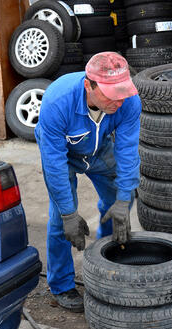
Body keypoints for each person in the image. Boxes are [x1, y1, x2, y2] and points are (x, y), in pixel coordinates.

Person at [35, 52, 141, 312]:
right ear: (88, 85)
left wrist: (124, 197)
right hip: (63, 155)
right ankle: (61, 285)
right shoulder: (58, 102)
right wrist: (69, 213)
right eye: (109, 93)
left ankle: (106, 260)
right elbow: (54, 164)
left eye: (122, 91)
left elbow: (127, 151)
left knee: (119, 203)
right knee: (61, 221)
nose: (118, 99)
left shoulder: (128, 102)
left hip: (99, 148)